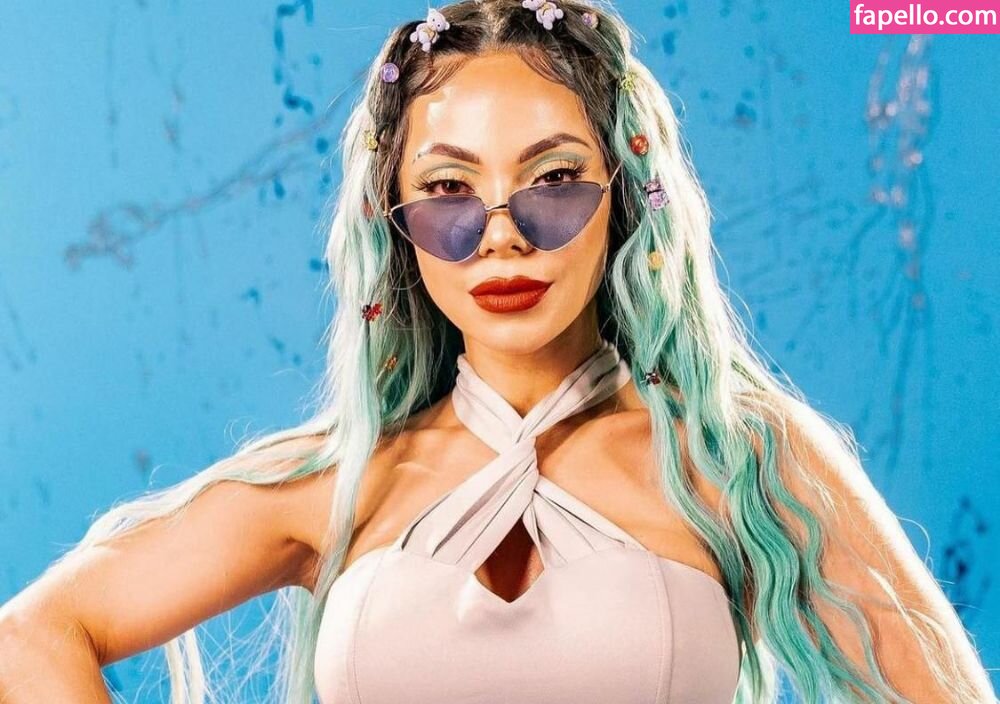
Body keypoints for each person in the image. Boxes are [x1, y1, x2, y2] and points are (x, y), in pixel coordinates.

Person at [0, 1, 995, 702]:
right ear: (395, 222)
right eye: (448, 190)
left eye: (553, 178)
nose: (502, 234)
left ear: (625, 198)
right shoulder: (340, 483)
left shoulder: (737, 456)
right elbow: (31, 635)